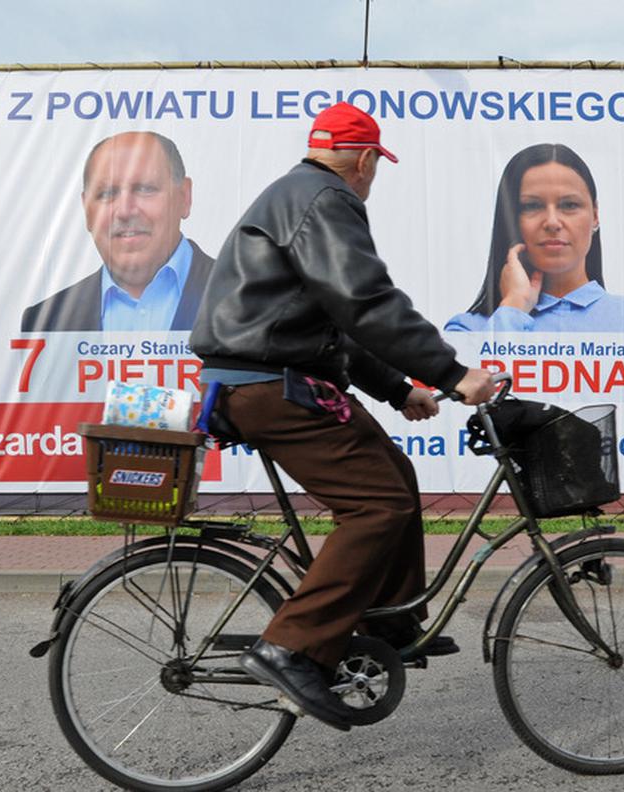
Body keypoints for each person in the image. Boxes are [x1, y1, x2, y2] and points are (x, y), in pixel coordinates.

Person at [190, 102, 497, 730]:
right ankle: (292, 647)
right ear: (364, 160)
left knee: (394, 476)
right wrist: (452, 374)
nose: (372, 177)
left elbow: (330, 319)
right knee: (377, 505)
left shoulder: (296, 194)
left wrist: (397, 388)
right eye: (375, 167)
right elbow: (365, 301)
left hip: (271, 377)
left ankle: (390, 616)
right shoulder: (325, 198)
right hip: (272, 385)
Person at [444, 143, 624, 333]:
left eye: (569, 205)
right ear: (511, 219)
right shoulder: (468, 330)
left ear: (595, 215)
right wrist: (513, 308)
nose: (552, 222)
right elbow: (481, 391)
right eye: (532, 206)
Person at [21, 131, 214, 332]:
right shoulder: (44, 322)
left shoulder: (244, 302)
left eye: (145, 189)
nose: (124, 211)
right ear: (87, 209)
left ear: (184, 197)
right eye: (106, 193)